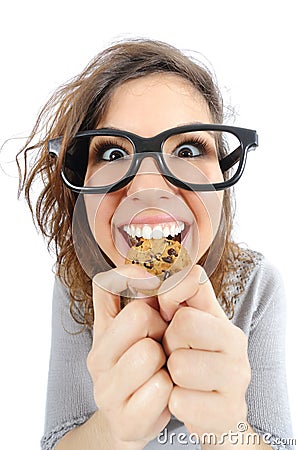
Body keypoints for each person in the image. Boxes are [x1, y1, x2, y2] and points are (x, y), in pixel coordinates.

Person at [17, 39, 293, 449]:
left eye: (186, 150)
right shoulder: (77, 284)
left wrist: (226, 433)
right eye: (112, 153)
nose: (147, 188)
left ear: (223, 180)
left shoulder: (255, 284)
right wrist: (113, 430)